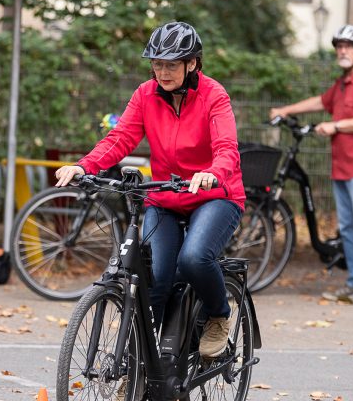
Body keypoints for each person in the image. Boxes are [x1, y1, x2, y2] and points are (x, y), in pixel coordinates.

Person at [56, 21, 245, 367]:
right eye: (157, 64)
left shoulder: (214, 95)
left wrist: (211, 174)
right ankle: (135, 367)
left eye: (171, 64)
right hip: (165, 196)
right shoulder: (146, 94)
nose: (163, 71)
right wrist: (85, 166)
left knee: (193, 258)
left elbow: (227, 148)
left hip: (215, 195)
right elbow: (120, 138)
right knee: (153, 280)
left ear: (193, 65)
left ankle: (219, 314)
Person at [270, 24, 353, 306]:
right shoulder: (344, 81)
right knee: (348, 228)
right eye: (339, 46)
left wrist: (336, 125)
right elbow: (320, 101)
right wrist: (286, 109)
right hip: (342, 166)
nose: (343, 51)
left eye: (349, 46)